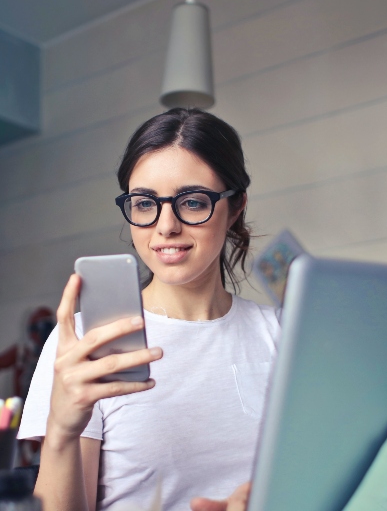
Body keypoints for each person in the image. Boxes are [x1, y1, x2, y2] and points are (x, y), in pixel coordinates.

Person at [18, 109, 279, 511]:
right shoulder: (88, 342)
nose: (166, 226)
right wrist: (61, 432)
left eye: (193, 202)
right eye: (144, 203)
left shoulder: (282, 335)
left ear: (235, 207)